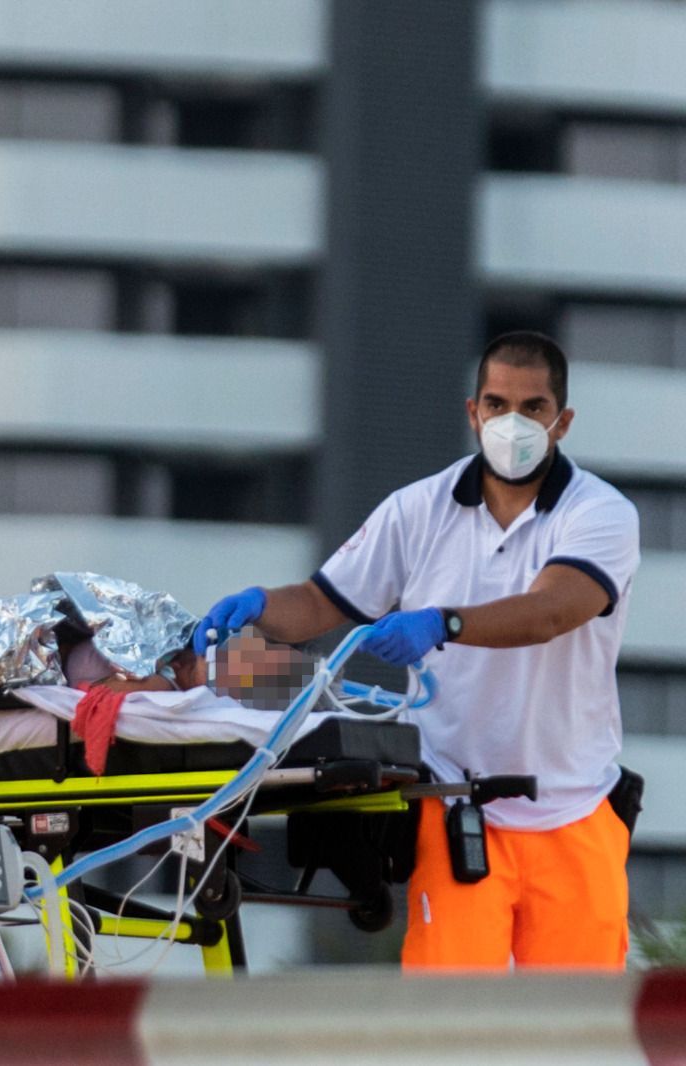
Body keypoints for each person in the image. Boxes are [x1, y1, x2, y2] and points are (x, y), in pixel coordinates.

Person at [193, 332, 639, 970]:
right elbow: (322, 603)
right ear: (473, 412)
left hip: (575, 810)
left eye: (533, 408)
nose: (512, 423)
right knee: (448, 1023)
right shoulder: (417, 510)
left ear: (562, 421)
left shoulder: (599, 513)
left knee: (582, 1031)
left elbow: (552, 611)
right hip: (457, 805)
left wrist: (443, 621)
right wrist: (262, 605)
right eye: (497, 403)